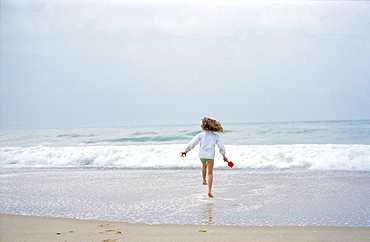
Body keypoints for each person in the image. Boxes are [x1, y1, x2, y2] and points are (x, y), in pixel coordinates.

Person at [181, 117, 228, 198]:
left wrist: (185, 151)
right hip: (210, 156)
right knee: (210, 173)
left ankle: (203, 180)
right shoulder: (215, 136)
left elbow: (192, 143)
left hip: (202, 155)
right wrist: (224, 156)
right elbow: (221, 147)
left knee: (203, 166)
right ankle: (209, 191)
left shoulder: (201, 135)